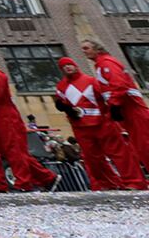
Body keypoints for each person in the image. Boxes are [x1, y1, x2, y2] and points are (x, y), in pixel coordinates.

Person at [0, 44, 59, 192]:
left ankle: (24, 183)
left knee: (14, 152)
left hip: (5, 117)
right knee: (8, 153)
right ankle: (44, 178)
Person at [54, 57, 146, 190]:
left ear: (75, 66)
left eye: (70, 64)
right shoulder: (62, 86)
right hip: (81, 127)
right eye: (64, 66)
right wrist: (65, 108)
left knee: (120, 154)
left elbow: (106, 97)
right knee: (93, 159)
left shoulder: (91, 81)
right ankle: (107, 184)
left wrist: (113, 112)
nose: (67, 67)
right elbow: (63, 103)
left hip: (103, 123)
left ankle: (134, 182)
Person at [82, 39, 149, 170]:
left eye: (86, 48)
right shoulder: (103, 64)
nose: (84, 52)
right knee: (140, 144)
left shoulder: (106, 63)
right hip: (128, 109)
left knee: (144, 143)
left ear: (97, 49)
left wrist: (114, 105)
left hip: (132, 109)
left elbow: (119, 85)